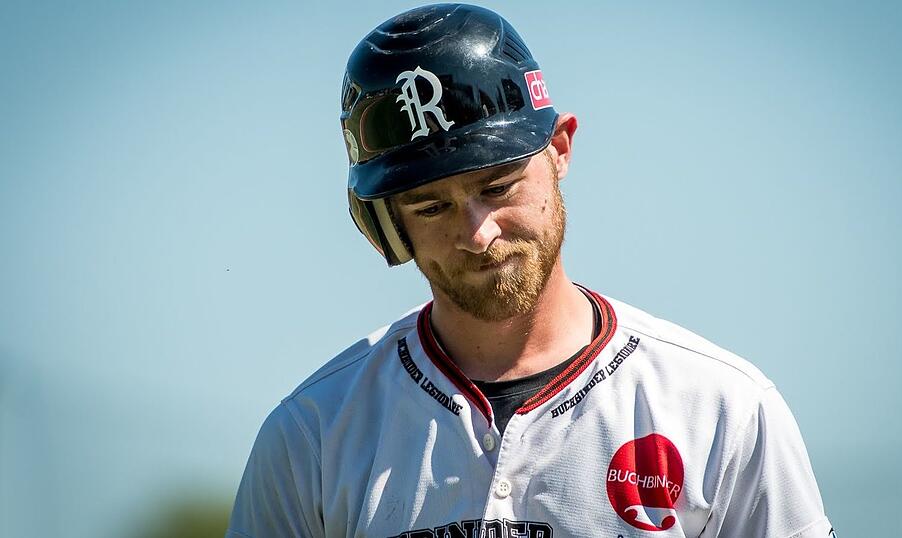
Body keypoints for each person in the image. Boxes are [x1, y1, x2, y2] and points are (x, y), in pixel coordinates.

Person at [227, 4, 834, 537]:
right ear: (385, 222)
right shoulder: (313, 434)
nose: (478, 233)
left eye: (498, 185)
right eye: (431, 206)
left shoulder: (720, 407)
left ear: (561, 148)